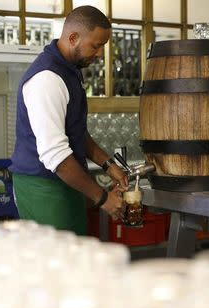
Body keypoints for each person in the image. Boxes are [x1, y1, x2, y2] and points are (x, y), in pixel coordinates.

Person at [9, 6, 128, 235]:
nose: (100, 53)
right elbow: (56, 155)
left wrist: (108, 164)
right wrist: (102, 198)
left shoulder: (69, 70)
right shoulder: (47, 79)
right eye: (96, 45)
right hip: (43, 189)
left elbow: (75, 131)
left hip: (67, 184)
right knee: (54, 265)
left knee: (74, 260)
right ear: (73, 37)